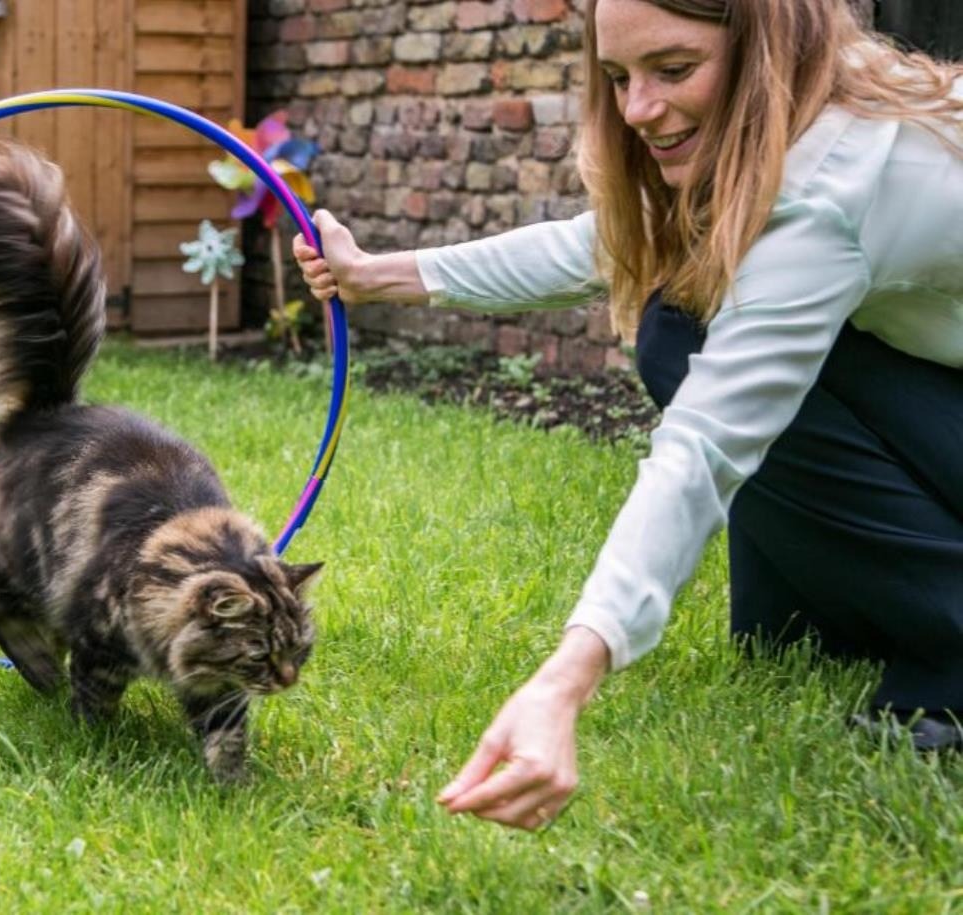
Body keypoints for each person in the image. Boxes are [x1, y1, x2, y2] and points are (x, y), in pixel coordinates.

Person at [294, 0, 963, 832]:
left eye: (674, 70)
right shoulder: (802, 111)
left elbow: (707, 441)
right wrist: (377, 274)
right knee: (681, 313)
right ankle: (838, 618)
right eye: (618, 77)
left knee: (684, 337)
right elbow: (607, 242)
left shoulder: (827, 186)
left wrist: (566, 676)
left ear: (767, 45)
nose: (638, 109)